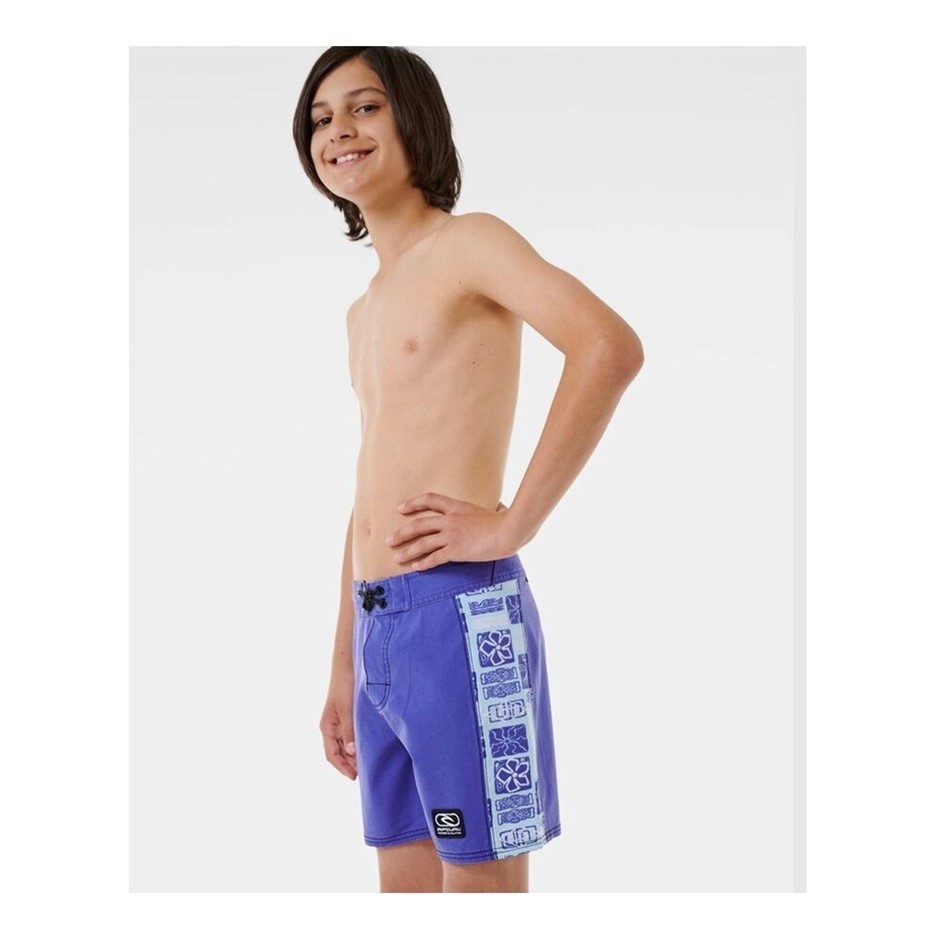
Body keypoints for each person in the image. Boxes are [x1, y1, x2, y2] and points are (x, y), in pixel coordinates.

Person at [292, 46, 644, 893]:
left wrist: (513, 522)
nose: (339, 130)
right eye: (321, 118)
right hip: (380, 628)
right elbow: (368, 487)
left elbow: (608, 347)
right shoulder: (363, 310)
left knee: (481, 888)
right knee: (407, 888)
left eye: (364, 107)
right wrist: (344, 663)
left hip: (458, 612)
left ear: (414, 118)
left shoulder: (469, 244)